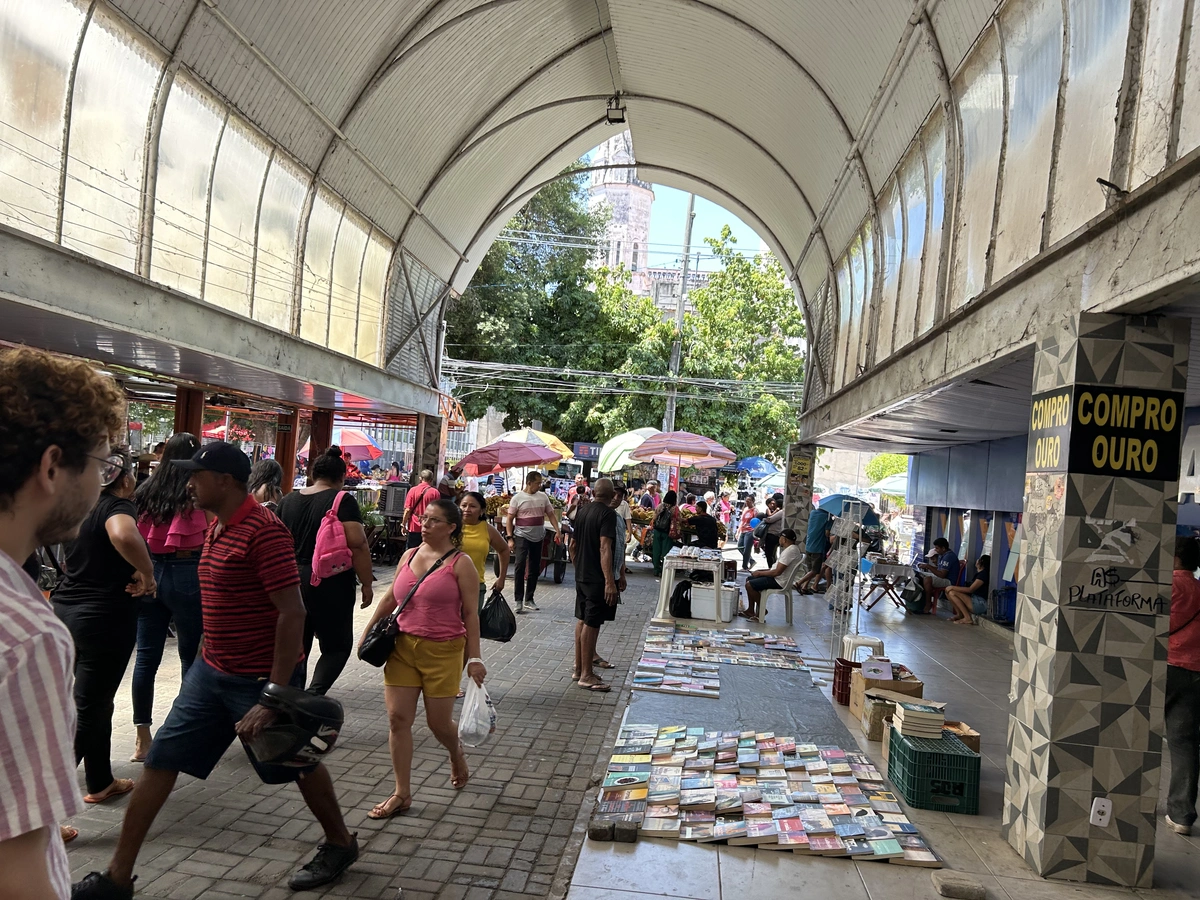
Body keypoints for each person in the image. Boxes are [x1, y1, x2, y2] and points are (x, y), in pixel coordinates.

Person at [73, 441, 359, 897]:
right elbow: (219, 602)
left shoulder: (264, 531)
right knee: (162, 761)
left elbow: (293, 613)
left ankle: (341, 842)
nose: (187, 483)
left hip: (258, 680)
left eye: (196, 476)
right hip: (210, 674)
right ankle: (116, 877)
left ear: (224, 481)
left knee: (297, 763)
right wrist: (207, 651)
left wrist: (273, 694)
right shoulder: (217, 526)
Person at [0, 348, 126, 897]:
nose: (104, 482)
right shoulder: (26, 634)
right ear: (52, 467)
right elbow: (18, 867)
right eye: (102, 464)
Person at [362, 499, 485, 819]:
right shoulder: (409, 554)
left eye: (432, 521)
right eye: (423, 519)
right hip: (402, 648)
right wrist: (369, 629)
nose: (424, 525)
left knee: (438, 723)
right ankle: (401, 793)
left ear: (451, 528)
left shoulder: (461, 564)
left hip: (443, 651)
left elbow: (471, 615)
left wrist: (475, 658)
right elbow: (391, 597)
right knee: (397, 719)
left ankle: (456, 752)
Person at [51, 446, 156, 806]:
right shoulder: (116, 506)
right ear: (124, 478)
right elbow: (124, 535)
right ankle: (46, 807)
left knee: (93, 703)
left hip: (64, 610)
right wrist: (147, 572)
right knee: (90, 708)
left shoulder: (79, 506)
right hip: (102, 618)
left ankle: (100, 781)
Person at [131, 432, 206, 763]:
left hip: (150, 572)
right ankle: (182, 734)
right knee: (191, 656)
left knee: (146, 657)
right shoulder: (194, 490)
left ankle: (141, 737)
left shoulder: (145, 489)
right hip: (188, 571)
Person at [275, 446, 374, 696]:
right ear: (341, 478)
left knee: (298, 643)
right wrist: (367, 583)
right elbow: (359, 543)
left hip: (289, 579)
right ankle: (314, 695)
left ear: (311, 474)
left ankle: (290, 696)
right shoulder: (342, 500)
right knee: (337, 645)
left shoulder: (287, 500)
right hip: (330, 581)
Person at [571, 478, 620, 692]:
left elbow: (572, 546)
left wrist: (579, 566)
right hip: (596, 577)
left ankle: (578, 668)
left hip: (582, 575)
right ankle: (586, 675)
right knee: (591, 623)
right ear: (611, 496)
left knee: (583, 620)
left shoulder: (582, 511)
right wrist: (609, 581)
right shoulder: (607, 514)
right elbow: (604, 548)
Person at [1166, 536, 1200, 835]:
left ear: (1175, 558)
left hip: (1165, 666)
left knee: (1129, 728)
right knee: (1184, 743)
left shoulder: (1169, 587)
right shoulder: (1199, 589)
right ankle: (1181, 816)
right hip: (1194, 671)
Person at [504, 471, 561, 613]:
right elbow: (510, 519)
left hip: (539, 536)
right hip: (522, 536)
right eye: (537, 483)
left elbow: (551, 515)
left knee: (534, 568)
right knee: (520, 566)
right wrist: (510, 538)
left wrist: (557, 530)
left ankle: (529, 598)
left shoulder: (543, 497)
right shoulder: (517, 498)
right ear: (529, 483)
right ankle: (518, 600)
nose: (539, 485)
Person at [459, 491, 509, 610]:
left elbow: (504, 550)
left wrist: (501, 578)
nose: (467, 509)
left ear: (482, 511)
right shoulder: (450, 527)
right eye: (464, 505)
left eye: (472, 506)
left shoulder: (487, 529)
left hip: (475, 587)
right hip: (448, 585)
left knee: (471, 625)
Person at [741, 528, 801, 622]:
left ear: (784, 539)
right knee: (749, 579)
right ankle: (751, 610)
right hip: (777, 577)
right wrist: (760, 571)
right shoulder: (790, 549)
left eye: (780, 538)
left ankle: (762, 611)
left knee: (749, 585)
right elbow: (774, 568)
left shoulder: (790, 551)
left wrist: (760, 573)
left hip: (779, 581)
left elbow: (777, 572)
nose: (779, 540)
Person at [796, 504, 833, 594]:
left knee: (810, 570)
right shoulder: (827, 518)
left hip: (809, 545)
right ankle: (799, 583)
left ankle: (804, 587)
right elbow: (827, 534)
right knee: (815, 570)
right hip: (818, 547)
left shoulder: (813, 513)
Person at [917, 537, 960, 615]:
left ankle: (928, 604)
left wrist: (928, 566)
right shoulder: (942, 555)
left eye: (937, 548)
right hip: (942, 577)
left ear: (943, 548)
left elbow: (942, 574)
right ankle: (919, 602)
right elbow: (939, 569)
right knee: (919, 575)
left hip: (949, 580)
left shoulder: (949, 556)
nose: (936, 550)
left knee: (927, 580)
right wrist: (927, 566)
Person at [401, 469, 440, 550]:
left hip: (414, 526)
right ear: (431, 480)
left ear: (420, 478)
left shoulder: (413, 490)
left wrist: (403, 524)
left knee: (412, 552)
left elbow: (408, 510)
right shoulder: (435, 492)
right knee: (427, 551)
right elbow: (438, 512)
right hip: (430, 527)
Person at [945, 555, 990, 624]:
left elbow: (970, 589)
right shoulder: (979, 574)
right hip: (974, 599)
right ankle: (960, 614)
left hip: (980, 603)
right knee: (948, 592)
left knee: (952, 593)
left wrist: (952, 587)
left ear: (981, 563)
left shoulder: (983, 575)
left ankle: (967, 618)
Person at [650, 490, 679, 577]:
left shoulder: (660, 506)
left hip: (657, 531)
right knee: (666, 552)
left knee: (656, 550)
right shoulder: (674, 508)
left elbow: (654, 518)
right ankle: (664, 569)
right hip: (667, 532)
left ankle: (656, 569)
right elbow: (678, 519)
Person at [761, 497, 784, 567]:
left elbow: (770, 519)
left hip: (773, 535)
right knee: (772, 554)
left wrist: (764, 519)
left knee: (769, 554)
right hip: (776, 535)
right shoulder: (782, 512)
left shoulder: (781, 512)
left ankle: (771, 568)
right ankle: (773, 568)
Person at [736, 503, 757, 570]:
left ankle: (745, 566)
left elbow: (756, 521)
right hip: (743, 530)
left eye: (749, 501)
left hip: (750, 531)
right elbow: (742, 521)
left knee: (746, 549)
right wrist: (738, 531)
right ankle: (751, 560)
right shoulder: (745, 509)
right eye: (747, 501)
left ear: (753, 501)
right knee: (740, 546)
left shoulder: (755, 510)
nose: (748, 502)